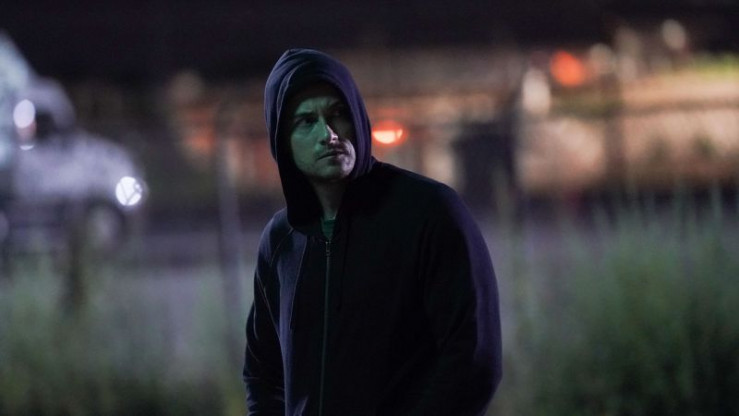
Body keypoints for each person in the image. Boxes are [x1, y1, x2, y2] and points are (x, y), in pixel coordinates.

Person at [243, 48, 502, 416]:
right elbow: (262, 373)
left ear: (358, 117)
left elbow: (474, 358)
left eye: (338, 114)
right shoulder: (280, 241)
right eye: (306, 121)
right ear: (282, 142)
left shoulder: (427, 212)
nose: (328, 134)